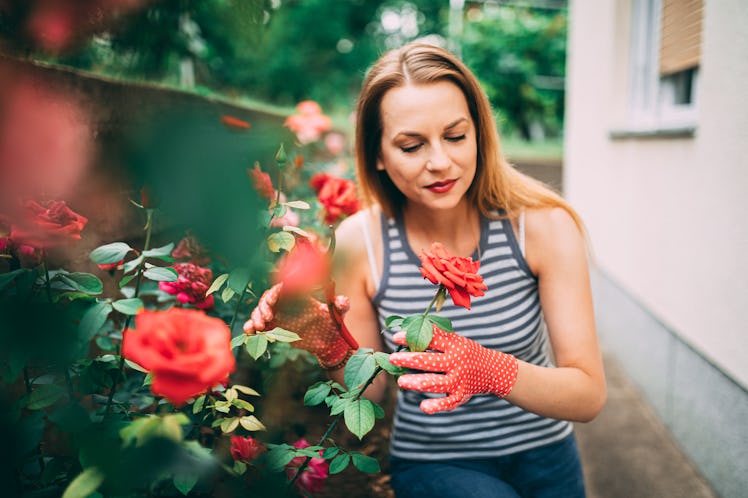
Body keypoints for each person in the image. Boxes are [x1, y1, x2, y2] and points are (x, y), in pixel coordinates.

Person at [246, 42, 606, 498]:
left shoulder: (543, 227)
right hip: (434, 463)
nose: (440, 162)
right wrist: (326, 340)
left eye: (456, 136)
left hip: (548, 460)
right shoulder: (363, 242)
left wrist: (491, 370)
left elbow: (588, 393)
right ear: (377, 154)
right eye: (411, 145)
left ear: (479, 133)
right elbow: (371, 393)